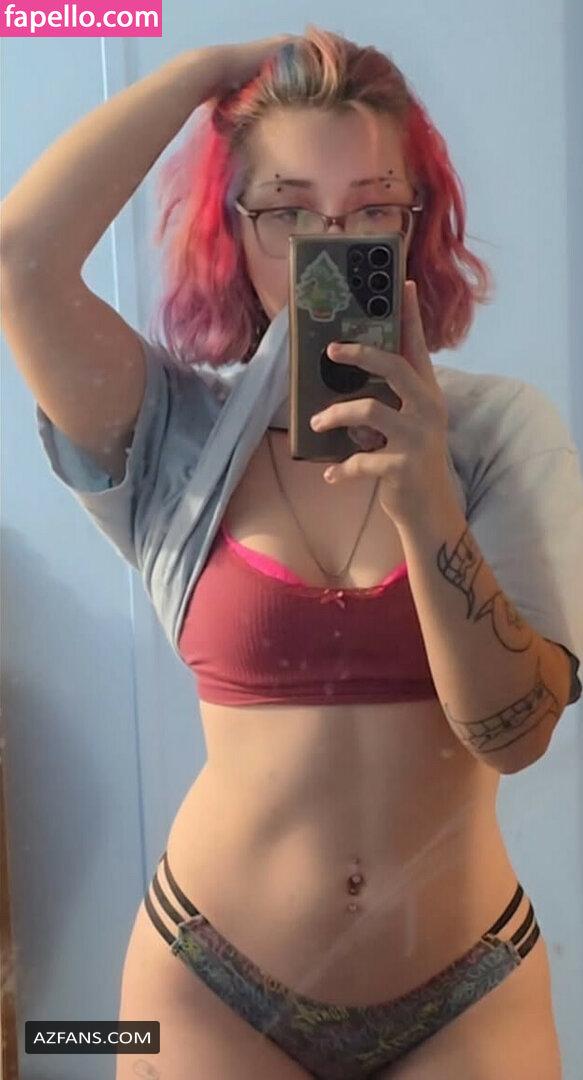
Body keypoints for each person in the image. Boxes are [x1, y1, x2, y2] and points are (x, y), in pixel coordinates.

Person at [2, 25, 581, 1080]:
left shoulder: (502, 433)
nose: (330, 245)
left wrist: (426, 499)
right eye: (287, 210)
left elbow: (517, 737)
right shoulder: (170, 432)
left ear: (416, 223)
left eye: (371, 209)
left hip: (469, 988)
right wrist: (199, 74)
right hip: (203, 986)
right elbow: (19, 260)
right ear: (235, 228)